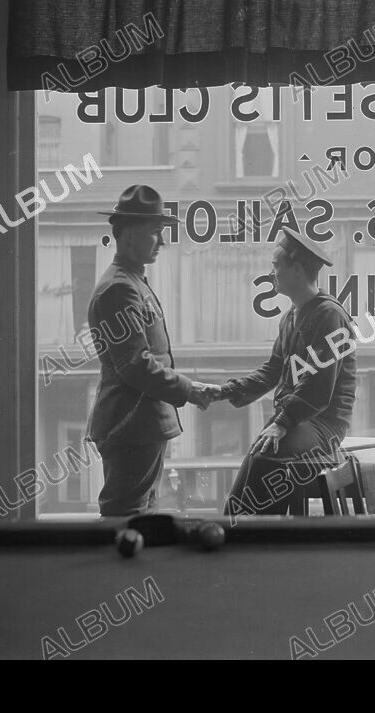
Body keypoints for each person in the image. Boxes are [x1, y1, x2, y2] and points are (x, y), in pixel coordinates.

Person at [202, 231, 357, 516]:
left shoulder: (329, 315)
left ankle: (258, 539)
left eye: (276, 265)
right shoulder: (291, 317)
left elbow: (319, 387)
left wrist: (282, 422)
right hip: (298, 422)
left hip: (324, 425)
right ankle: (236, 530)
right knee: (258, 454)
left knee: (267, 453)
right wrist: (224, 391)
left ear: (296, 270)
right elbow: (272, 371)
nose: (271, 273)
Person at [85, 185, 216, 517]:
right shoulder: (120, 289)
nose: (162, 240)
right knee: (126, 517)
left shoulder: (131, 282)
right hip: (132, 425)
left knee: (138, 515)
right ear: (128, 235)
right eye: (155, 232)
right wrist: (189, 389)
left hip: (140, 424)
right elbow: (135, 364)